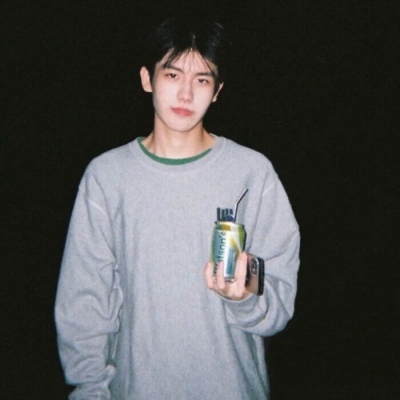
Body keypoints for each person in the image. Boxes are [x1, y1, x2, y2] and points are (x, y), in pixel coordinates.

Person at [55, 14, 300, 400]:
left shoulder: (251, 174)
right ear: (147, 78)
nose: (186, 94)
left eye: (202, 80)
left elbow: (278, 294)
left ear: (217, 90)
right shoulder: (107, 177)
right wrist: (89, 390)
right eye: (172, 75)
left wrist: (244, 294)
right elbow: (84, 301)